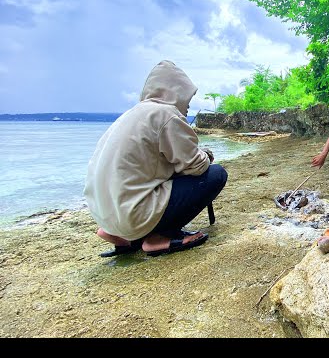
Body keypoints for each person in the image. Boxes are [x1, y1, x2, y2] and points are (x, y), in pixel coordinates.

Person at [83, 60, 228, 258]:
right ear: (177, 92)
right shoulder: (167, 114)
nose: (188, 105)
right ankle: (158, 237)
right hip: (132, 215)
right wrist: (205, 154)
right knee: (216, 174)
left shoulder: (131, 114)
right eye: (187, 98)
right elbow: (198, 165)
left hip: (105, 215)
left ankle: (121, 235)